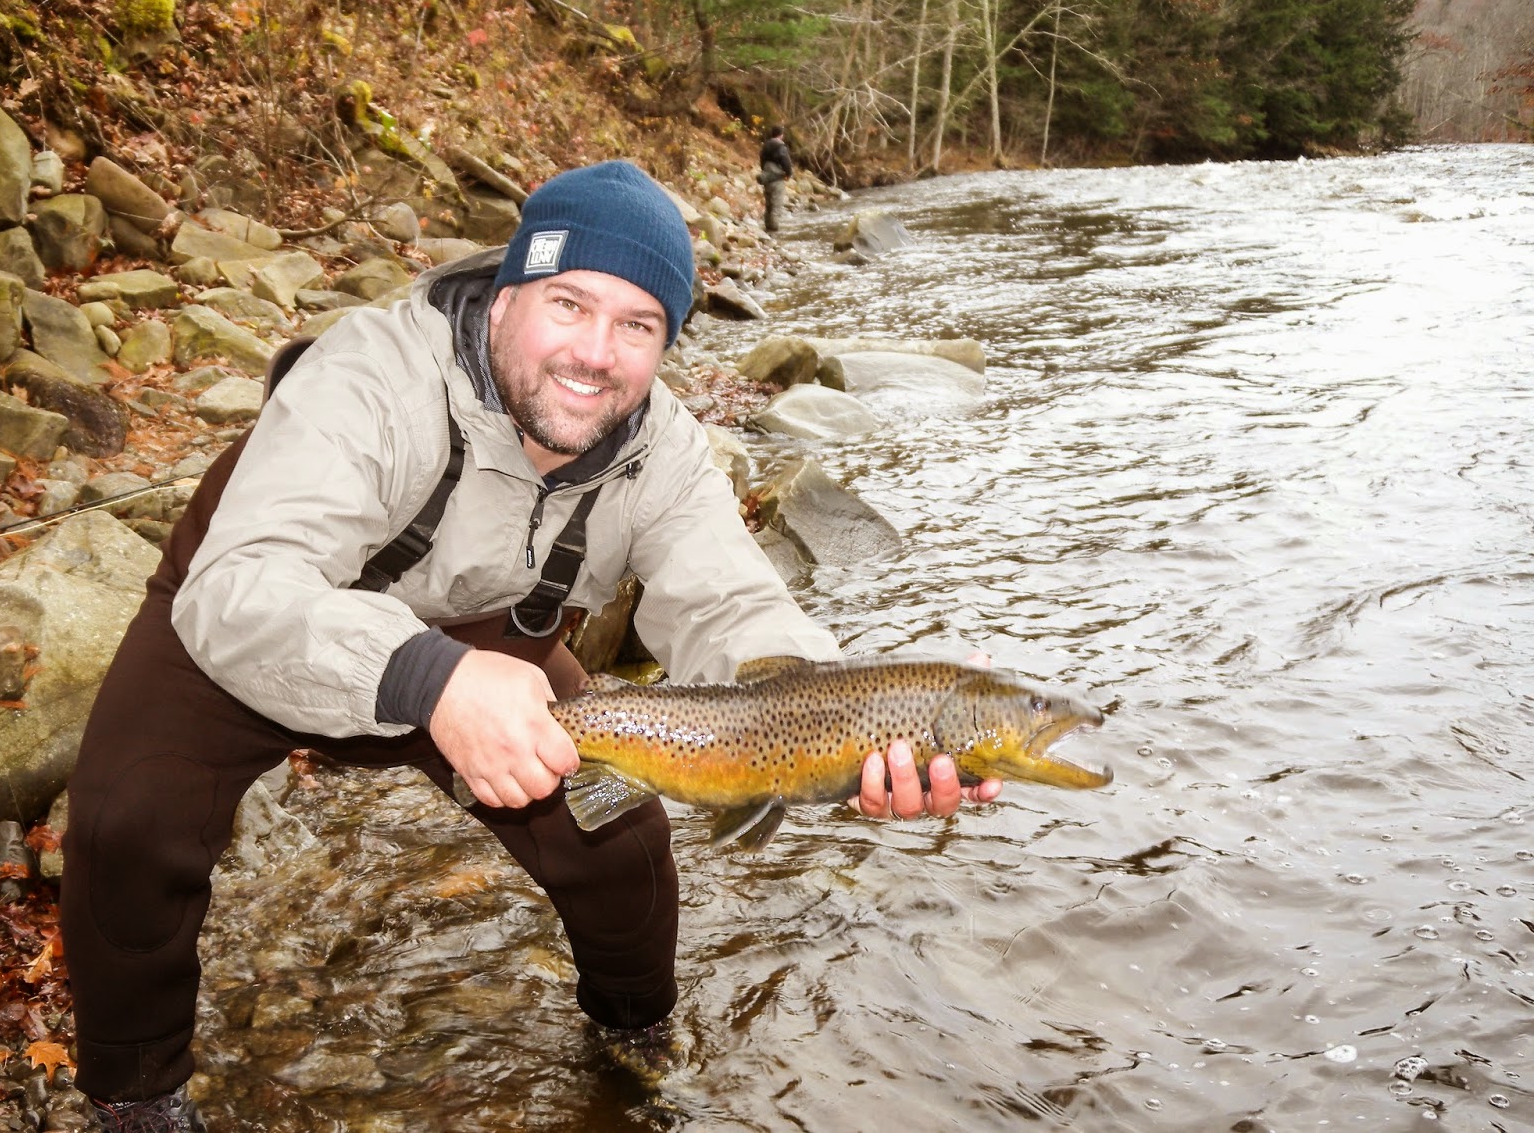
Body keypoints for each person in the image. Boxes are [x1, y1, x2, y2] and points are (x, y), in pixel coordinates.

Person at [59, 160, 1001, 1132]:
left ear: (666, 344)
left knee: (619, 841)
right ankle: (136, 1096)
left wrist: (842, 724)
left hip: (490, 633)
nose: (595, 353)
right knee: (128, 821)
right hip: (267, 604)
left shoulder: (663, 452)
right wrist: (431, 679)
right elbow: (241, 587)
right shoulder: (370, 374)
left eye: (638, 325)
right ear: (508, 294)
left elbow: (730, 605)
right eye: (569, 304)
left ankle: (633, 1043)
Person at [758, 126, 794, 235]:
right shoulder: (780, 146)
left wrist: (765, 172)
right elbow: (786, 162)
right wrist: (788, 173)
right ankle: (773, 231)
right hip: (777, 178)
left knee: (768, 204)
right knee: (776, 205)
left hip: (767, 177)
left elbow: (762, 161)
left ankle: (767, 228)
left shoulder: (765, 145)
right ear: (781, 135)